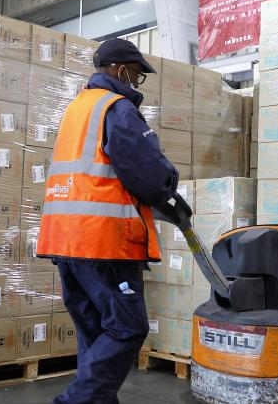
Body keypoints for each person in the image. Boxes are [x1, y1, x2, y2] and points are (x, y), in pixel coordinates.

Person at [37, 38, 179, 404]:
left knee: (96, 335)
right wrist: (168, 187)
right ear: (119, 70)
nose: (136, 82)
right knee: (129, 327)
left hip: (64, 241)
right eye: (135, 74)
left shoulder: (76, 109)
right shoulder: (115, 109)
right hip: (103, 243)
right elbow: (147, 173)